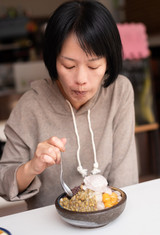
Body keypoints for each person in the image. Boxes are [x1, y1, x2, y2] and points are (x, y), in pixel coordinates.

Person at [0, 0, 138, 210]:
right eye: (69, 65)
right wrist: (32, 167)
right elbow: (4, 182)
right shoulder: (30, 106)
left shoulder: (119, 92)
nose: (81, 79)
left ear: (109, 61)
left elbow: (125, 177)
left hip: (108, 220)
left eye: (93, 65)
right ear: (52, 59)